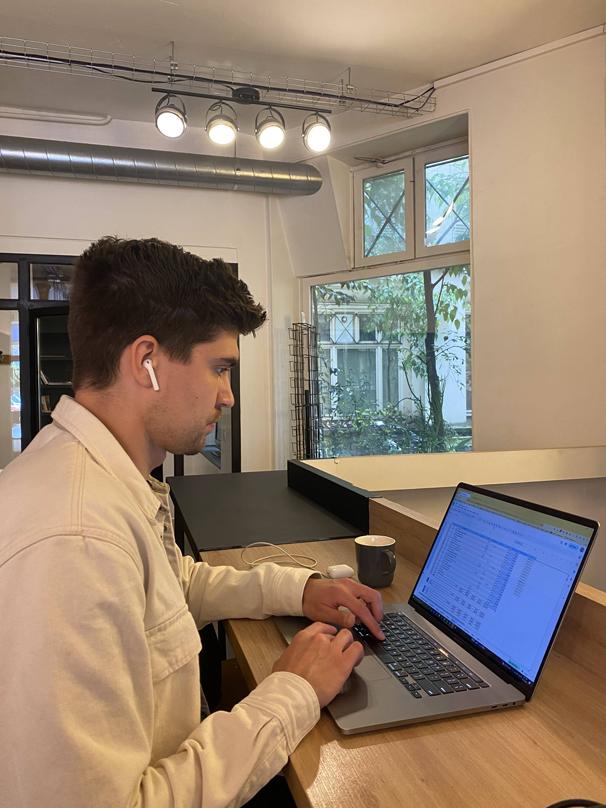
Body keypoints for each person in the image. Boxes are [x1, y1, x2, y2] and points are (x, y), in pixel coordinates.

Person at [0, 237, 385, 808]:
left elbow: (171, 586)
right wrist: (292, 692)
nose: (227, 396)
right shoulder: (76, 540)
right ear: (146, 361)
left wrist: (297, 589)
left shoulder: (105, 481)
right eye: (220, 368)